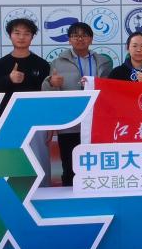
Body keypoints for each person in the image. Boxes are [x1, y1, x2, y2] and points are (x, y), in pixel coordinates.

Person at [41, 22, 113, 187]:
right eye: (75, 35)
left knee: (97, 167)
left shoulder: (103, 62)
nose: (80, 39)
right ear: (69, 39)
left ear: (91, 39)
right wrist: (50, 82)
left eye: (84, 35)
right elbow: (47, 92)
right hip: (70, 123)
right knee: (70, 168)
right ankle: (69, 199)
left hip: (96, 124)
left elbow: (110, 90)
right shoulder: (58, 63)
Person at [0, 18, 53, 184]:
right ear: (10, 36)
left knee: (39, 162)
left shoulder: (42, 65)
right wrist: (8, 79)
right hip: (6, 121)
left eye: (26, 33)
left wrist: (50, 124)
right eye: (17, 33)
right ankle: (11, 196)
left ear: (32, 37)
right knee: (10, 164)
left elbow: (46, 97)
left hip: (36, 122)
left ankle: (43, 194)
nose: (21, 37)